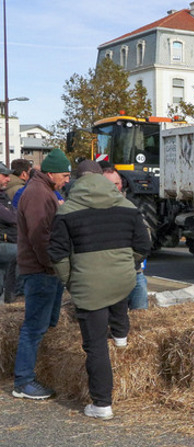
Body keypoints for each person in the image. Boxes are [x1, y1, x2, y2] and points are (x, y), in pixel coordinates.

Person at [48, 160, 151, 420]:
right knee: (117, 294)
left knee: (94, 345)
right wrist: (128, 265)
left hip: (87, 282)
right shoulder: (127, 207)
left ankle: (102, 404)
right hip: (122, 278)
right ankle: (121, 338)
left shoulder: (66, 210)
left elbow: (58, 254)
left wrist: (70, 280)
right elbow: (143, 244)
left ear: (76, 178)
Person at [12, 148, 71, 400]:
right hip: (40, 270)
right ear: (50, 173)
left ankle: (36, 372)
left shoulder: (45, 190)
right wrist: (52, 264)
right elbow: (39, 235)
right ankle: (23, 382)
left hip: (45, 269)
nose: (67, 180)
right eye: (65, 175)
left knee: (46, 323)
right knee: (34, 327)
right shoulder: (38, 193)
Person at [101, 163, 150, 310]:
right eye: (109, 184)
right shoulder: (94, 211)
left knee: (141, 316)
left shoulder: (132, 208)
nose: (114, 188)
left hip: (134, 271)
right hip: (107, 276)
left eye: (116, 183)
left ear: (121, 184)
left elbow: (144, 241)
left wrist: (130, 260)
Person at [0, 162, 18, 303]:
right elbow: (12, 218)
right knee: (26, 254)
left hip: (8, 241)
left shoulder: (3, 195)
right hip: (4, 243)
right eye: (5, 175)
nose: (8, 179)